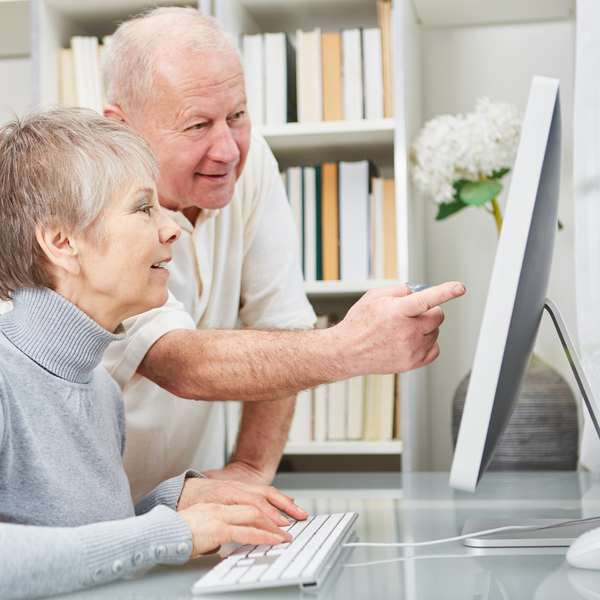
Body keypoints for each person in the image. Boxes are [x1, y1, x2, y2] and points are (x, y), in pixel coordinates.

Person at [99, 6, 467, 503]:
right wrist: (350, 347)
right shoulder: (90, 198)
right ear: (121, 128)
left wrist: (251, 468)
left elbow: (283, 321)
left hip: (189, 506)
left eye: (238, 115)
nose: (229, 149)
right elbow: (175, 361)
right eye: (197, 125)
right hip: (95, 512)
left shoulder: (248, 168)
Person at [0, 106, 307, 600]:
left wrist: (173, 501)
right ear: (60, 240)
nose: (171, 229)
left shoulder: (98, 389)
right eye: (144, 208)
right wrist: (175, 532)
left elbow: (80, 536)